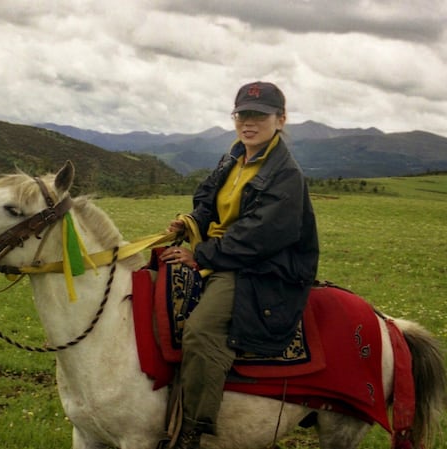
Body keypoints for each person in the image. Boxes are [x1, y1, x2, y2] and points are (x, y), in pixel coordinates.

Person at [159, 81, 319, 449]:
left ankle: (193, 431)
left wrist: (200, 255)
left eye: (259, 116)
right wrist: (190, 222)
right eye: (242, 115)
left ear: (280, 120)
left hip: (260, 267)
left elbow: (259, 235)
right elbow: (210, 202)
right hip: (223, 252)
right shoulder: (234, 157)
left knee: (200, 332)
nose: (249, 123)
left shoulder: (286, 174)